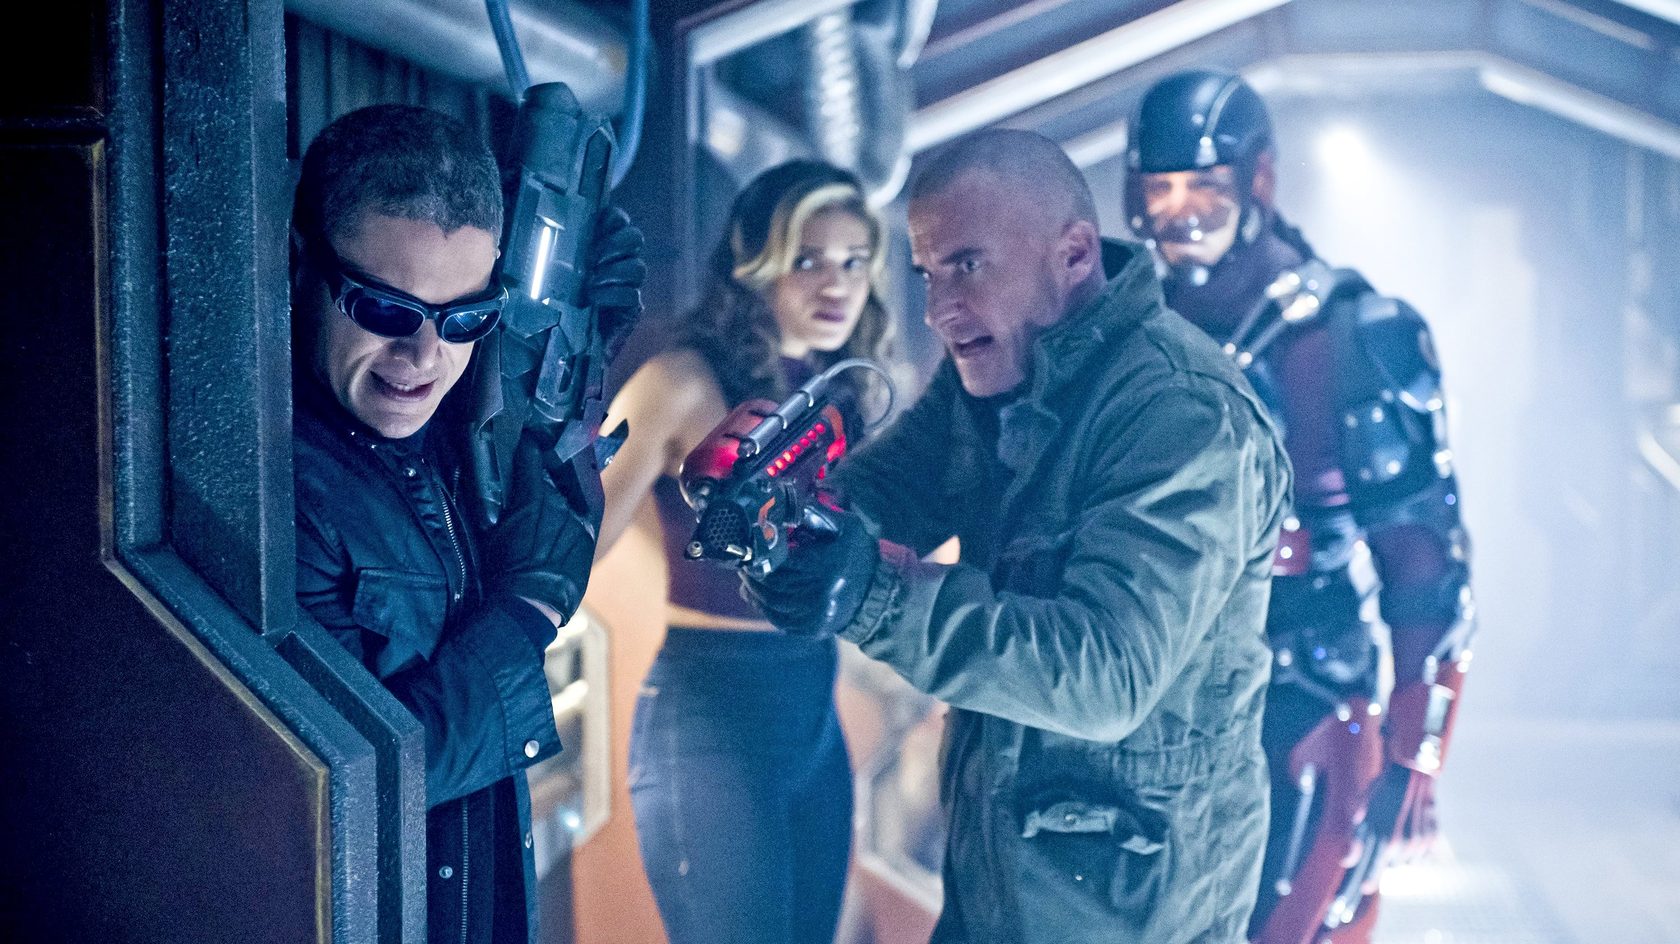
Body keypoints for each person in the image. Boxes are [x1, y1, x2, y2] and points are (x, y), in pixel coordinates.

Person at [736, 129, 1292, 943]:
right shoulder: (999, 367)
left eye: (967, 264)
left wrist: (869, 593)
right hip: (994, 887)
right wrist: (788, 521)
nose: (939, 308)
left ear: (1073, 255)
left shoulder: (1184, 413)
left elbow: (1106, 673)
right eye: (928, 274)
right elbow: (886, 492)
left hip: (1133, 919)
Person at [1124, 70, 1475, 944]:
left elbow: (1424, 564)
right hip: (1143, 684)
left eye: (1204, 185)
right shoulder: (1123, 327)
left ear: (1259, 180)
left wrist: (1416, 754)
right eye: (1161, 188)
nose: (1181, 212)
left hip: (1301, 686)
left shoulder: (1351, 333)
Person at [289, 103, 643, 943]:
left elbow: (526, 421)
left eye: (464, 320)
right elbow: (351, 785)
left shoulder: (442, 430)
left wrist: (575, 357)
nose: (424, 358)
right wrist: (525, 615)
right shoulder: (285, 491)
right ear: (300, 266)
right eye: (385, 311)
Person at [595, 160, 894, 944]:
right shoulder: (681, 381)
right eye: (808, 260)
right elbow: (571, 546)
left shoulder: (842, 389)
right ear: (755, 263)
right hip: (710, 716)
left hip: (812, 707)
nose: (836, 286)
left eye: (854, 262)